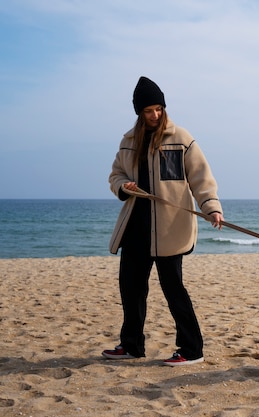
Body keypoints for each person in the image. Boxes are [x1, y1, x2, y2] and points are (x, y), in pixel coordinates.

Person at [103, 76, 224, 366]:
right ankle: (131, 345)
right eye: (148, 111)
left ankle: (192, 349)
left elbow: (201, 178)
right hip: (135, 227)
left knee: (174, 290)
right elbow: (115, 175)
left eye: (158, 109)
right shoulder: (128, 142)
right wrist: (123, 186)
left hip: (170, 228)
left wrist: (211, 206)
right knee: (131, 289)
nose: (155, 115)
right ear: (139, 113)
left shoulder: (181, 139)